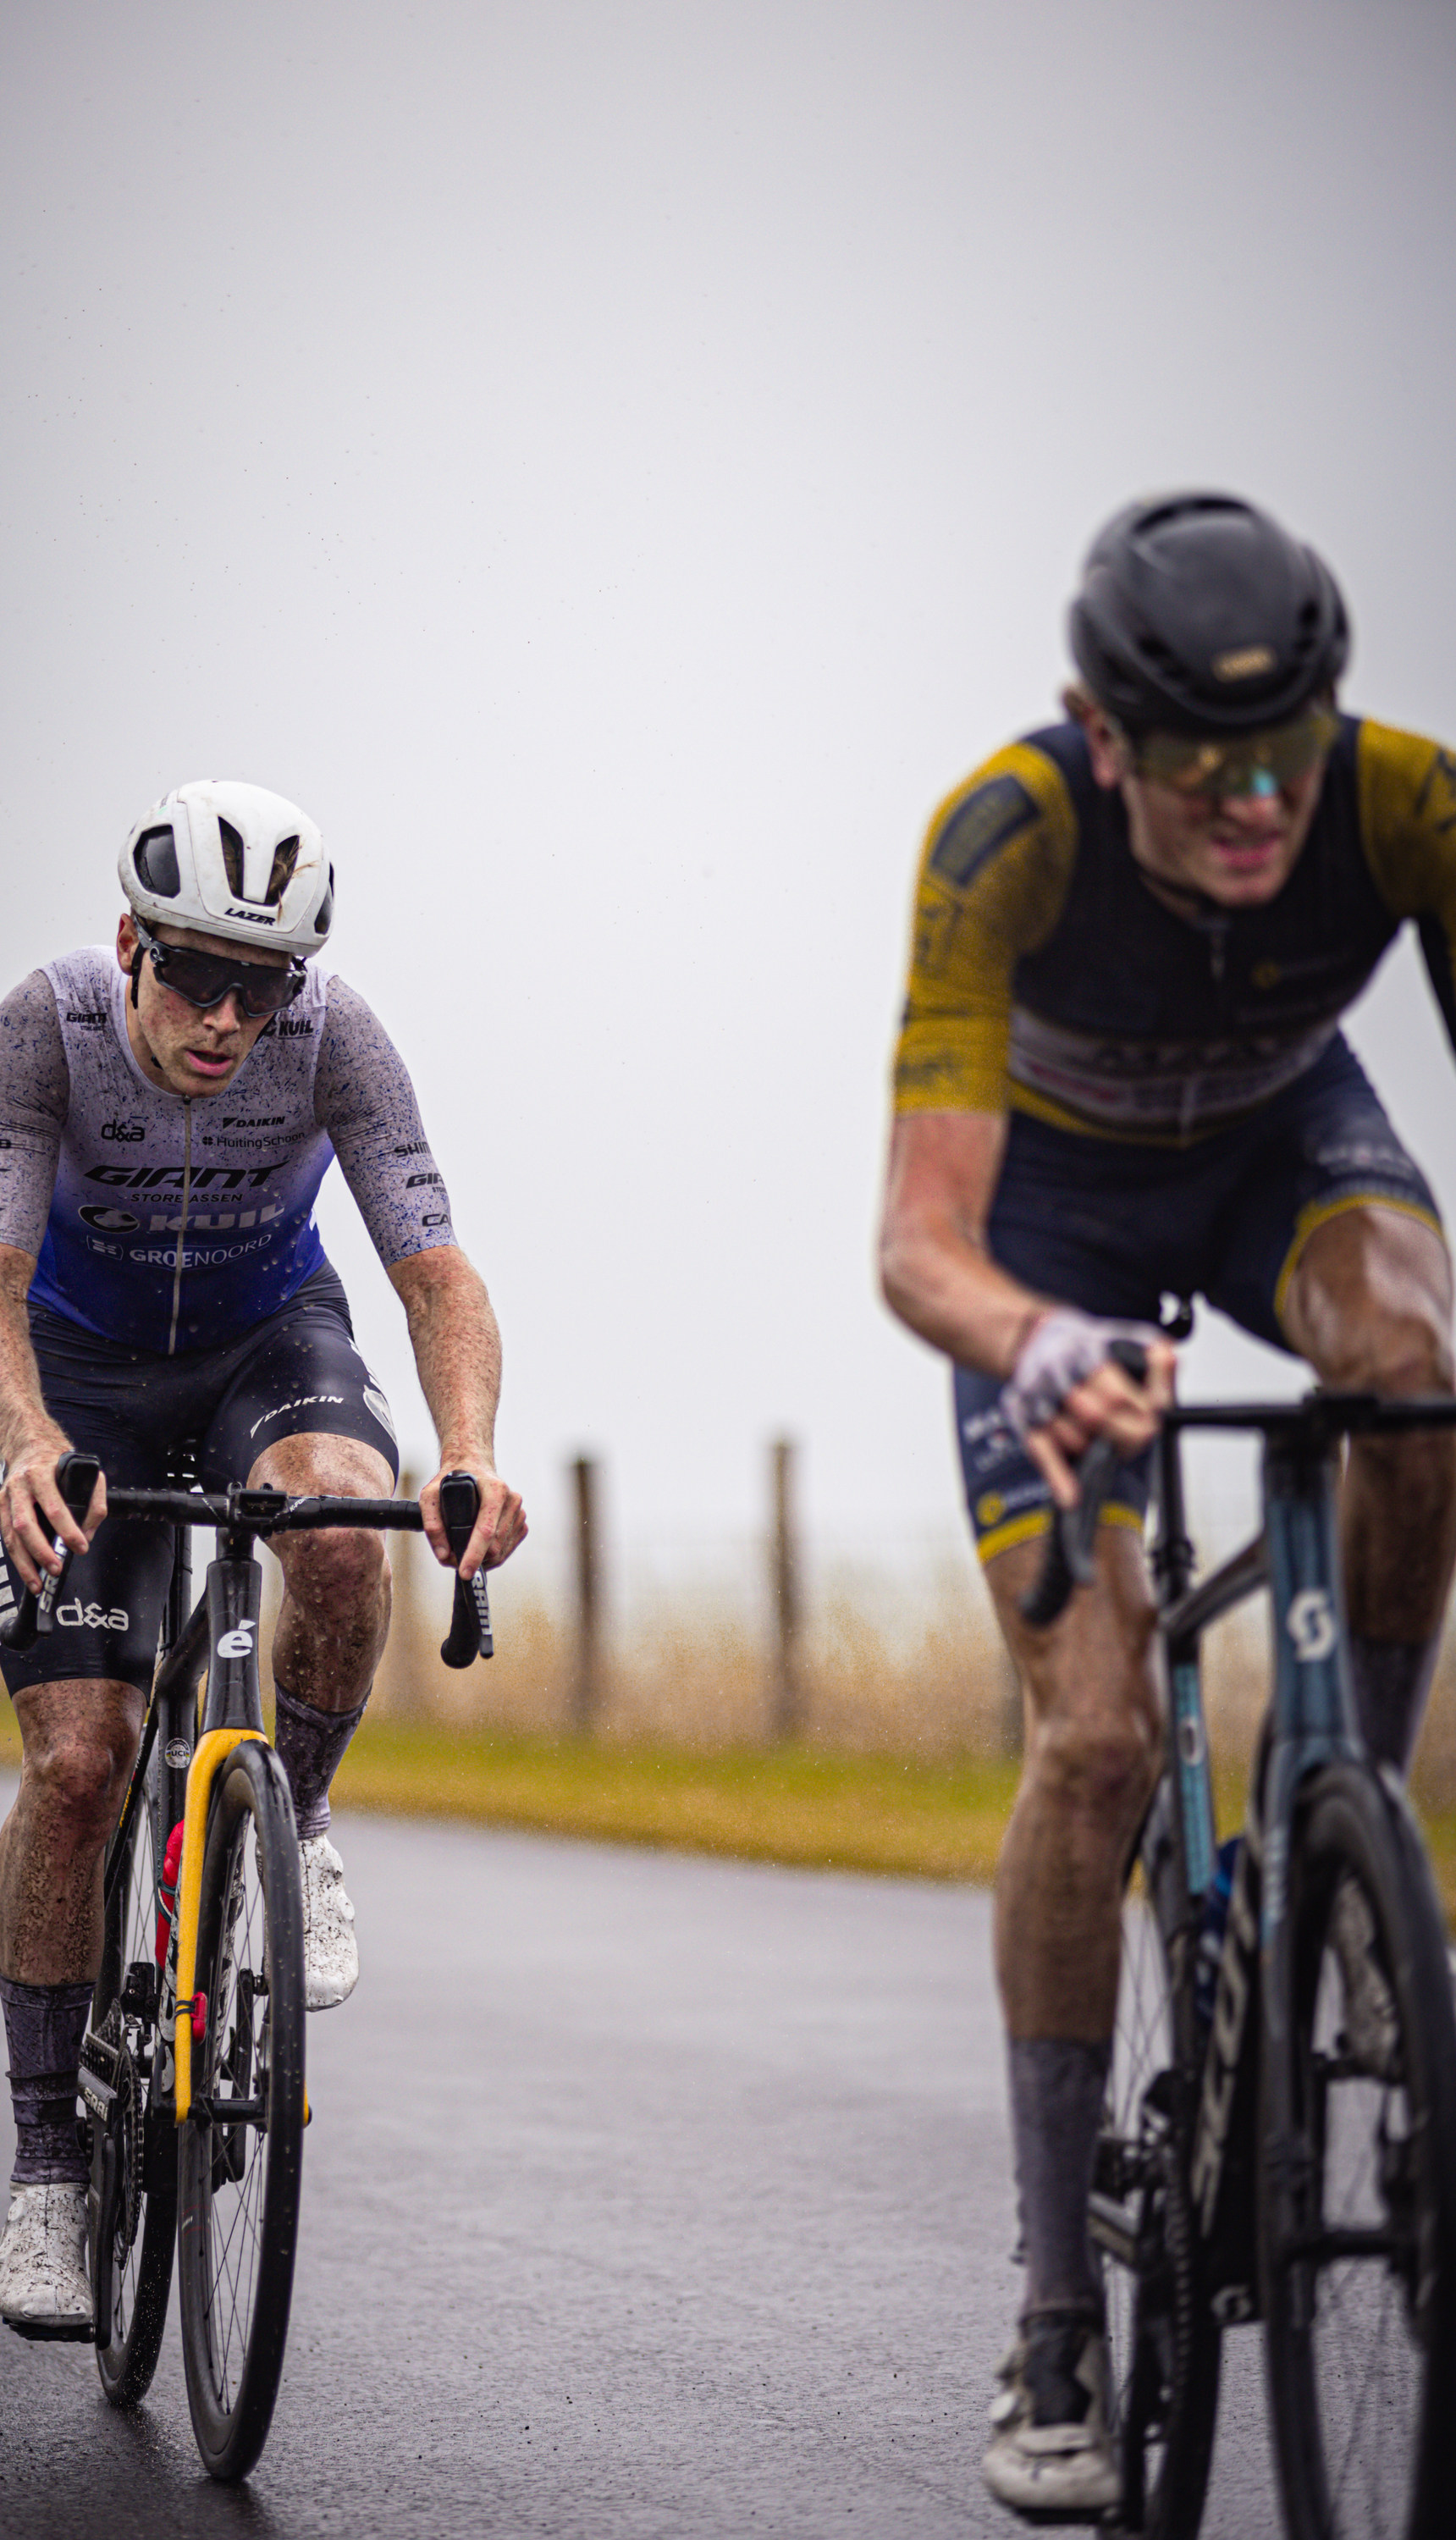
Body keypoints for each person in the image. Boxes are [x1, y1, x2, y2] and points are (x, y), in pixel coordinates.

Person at [877, 491, 1456, 2521]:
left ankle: (1344, 1883)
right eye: (1202, 768)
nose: (1254, 807)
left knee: (1410, 1354)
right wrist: (1032, 1343)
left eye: (1287, 751)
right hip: (1043, 1220)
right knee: (1103, 1728)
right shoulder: (1000, 836)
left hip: (1279, 1147)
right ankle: (1053, 2302)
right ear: (1094, 731)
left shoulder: (1401, 804)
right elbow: (915, 1241)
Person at [0, 776, 525, 2334]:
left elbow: (437, 1272)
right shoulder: (43, 1027)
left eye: (258, 986)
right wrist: (21, 1441)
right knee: (80, 1767)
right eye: (194, 971)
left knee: (345, 1518)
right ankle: (50, 2173)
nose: (224, 1015)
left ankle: (305, 1820)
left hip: (271, 1335)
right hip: (82, 1369)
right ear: (130, 942)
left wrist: (465, 1452)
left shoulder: (336, 1038)